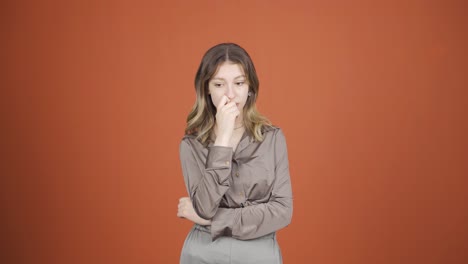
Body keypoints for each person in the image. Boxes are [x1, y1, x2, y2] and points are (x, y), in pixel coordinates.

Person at [177, 43, 293, 264]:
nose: (230, 94)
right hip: (203, 254)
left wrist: (211, 221)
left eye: (239, 83)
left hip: (260, 256)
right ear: (207, 89)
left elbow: (282, 211)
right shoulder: (191, 145)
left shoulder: (272, 138)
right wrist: (222, 141)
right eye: (219, 84)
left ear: (250, 88)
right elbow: (205, 206)